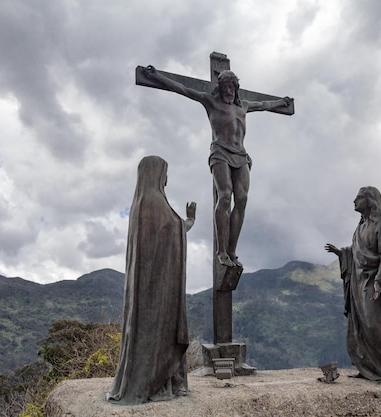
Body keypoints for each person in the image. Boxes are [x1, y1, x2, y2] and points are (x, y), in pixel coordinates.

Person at [143, 66, 291, 268]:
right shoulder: (211, 102)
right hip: (220, 152)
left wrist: (282, 102)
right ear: (220, 89)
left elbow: (265, 104)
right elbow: (183, 89)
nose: (229, 91)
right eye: (226, 88)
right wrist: (157, 77)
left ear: (236, 89)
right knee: (225, 196)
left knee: (242, 199)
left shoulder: (243, 106)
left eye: (232, 88)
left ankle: (232, 250)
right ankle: (221, 251)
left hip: (241, 156)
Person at [106, 156, 197, 404]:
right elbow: (174, 230)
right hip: (159, 292)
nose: (167, 179)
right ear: (157, 174)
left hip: (145, 292)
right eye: (165, 173)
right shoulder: (156, 203)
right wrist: (189, 221)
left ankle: (167, 383)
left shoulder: (139, 204)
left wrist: (181, 224)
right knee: (163, 335)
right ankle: (157, 384)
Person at [324, 186, 381, 383]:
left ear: (370, 200)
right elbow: (357, 251)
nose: (354, 201)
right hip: (358, 282)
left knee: (376, 325)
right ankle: (370, 368)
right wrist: (342, 254)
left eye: (358, 197)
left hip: (373, 283)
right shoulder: (361, 226)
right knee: (361, 326)